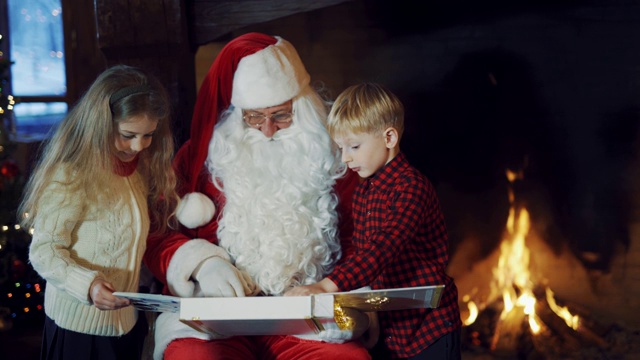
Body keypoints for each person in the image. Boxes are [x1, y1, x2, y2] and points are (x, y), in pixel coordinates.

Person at [143, 32, 373, 360]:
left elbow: (366, 240)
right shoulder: (197, 159)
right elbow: (157, 232)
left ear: (302, 106)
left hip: (306, 317)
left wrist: (346, 305)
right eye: (254, 117)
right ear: (238, 114)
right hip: (216, 319)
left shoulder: (336, 157)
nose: (267, 130)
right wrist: (202, 264)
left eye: (280, 115)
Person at [285, 83, 462, 359]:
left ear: (389, 138)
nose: (346, 158)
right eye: (341, 148)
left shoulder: (412, 188)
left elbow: (382, 248)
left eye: (354, 146)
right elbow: (361, 252)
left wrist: (325, 286)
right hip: (389, 323)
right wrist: (368, 310)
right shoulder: (364, 191)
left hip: (428, 327)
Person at [20, 65, 179, 360]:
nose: (138, 146)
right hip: (79, 331)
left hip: (126, 326)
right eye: (128, 134)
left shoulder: (136, 172)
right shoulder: (72, 174)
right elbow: (45, 251)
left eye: (148, 136)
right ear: (101, 124)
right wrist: (89, 285)